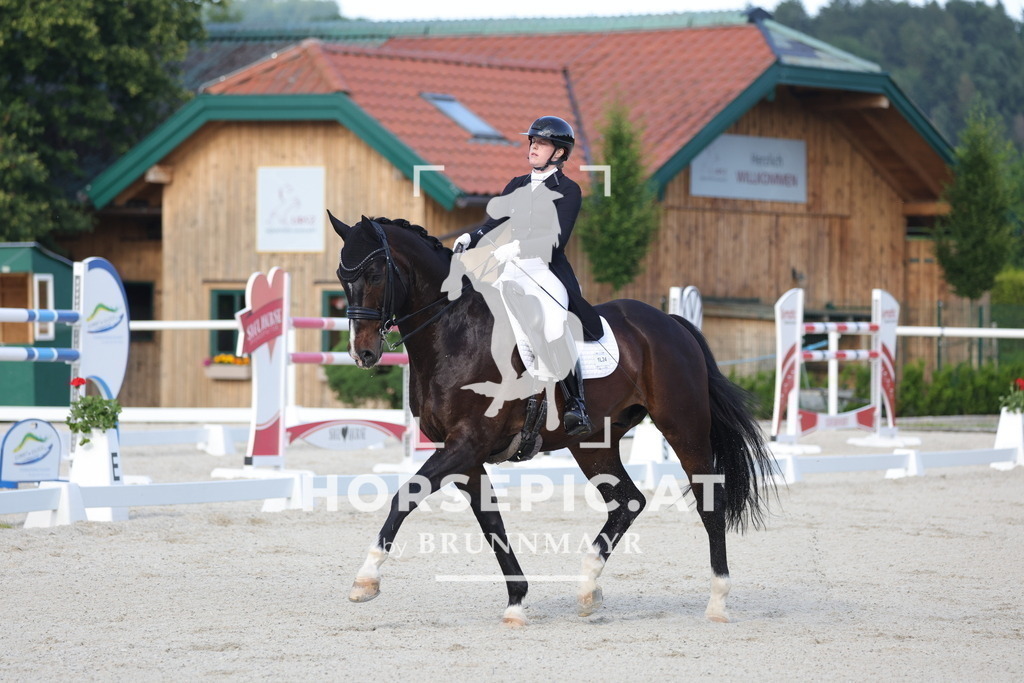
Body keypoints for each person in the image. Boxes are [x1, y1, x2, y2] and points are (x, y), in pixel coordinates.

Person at [452, 116, 601, 437]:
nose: (533, 147)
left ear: (559, 153)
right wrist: (472, 237)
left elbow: (557, 239)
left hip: (543, 271)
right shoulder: (517, 185)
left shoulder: (569, 190)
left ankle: (577, 404)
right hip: (506, 269)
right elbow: (493, 224)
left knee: (553, 321)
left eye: (542, 143)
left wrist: (516, 247)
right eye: (532, 142)